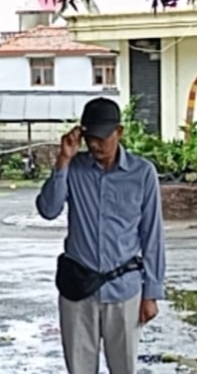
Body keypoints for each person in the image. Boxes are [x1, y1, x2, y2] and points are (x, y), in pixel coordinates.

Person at [36, 97, 166, 374]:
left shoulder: (142, 173)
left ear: (119, 132)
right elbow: (48, 210)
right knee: (80, 369)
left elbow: (152, 235)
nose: (95, 144)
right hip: (78, 290)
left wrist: (151, 293)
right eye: (90, 137)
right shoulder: (73, 169)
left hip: (125, 290)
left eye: (102, 137)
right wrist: (63, 161)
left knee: (124, 368)